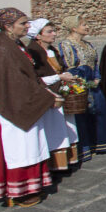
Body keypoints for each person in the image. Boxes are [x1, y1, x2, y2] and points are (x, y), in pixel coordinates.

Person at [0, 8, 59, 207]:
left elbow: (27, 75)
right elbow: (14, 81)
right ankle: (19, 190)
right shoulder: (2, 48)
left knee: (31, 144)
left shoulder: (15, 44)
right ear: (8, 26)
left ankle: (30, 186)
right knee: (19, 147)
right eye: (23, 23)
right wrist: (45, 96)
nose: (27, 26)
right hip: (12, 103)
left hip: (23, 98)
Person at [59, 16, 106, 161]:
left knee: (99, 111)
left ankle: (100, 143)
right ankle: (84, 148)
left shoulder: (88, 44)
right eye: (83, 25)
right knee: (82, 116)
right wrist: (82, 80)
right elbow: (70, 66)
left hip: (93, 84)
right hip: (79, 84)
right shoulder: (66, 44)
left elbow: (95, 63)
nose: (87, 27)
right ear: (74, 28)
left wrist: (97, 77)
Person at [26, 19, 79, 171]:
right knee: (52, 130)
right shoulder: (33, 53)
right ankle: (54, 164)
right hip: (47, 95)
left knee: (65, 127)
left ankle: (67, 160)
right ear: (38, 36)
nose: (54, 34)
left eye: (54, 31)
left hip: (60, 92)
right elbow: (35, 78)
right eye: (49, 32)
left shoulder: (52, 51)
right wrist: (58, 77)